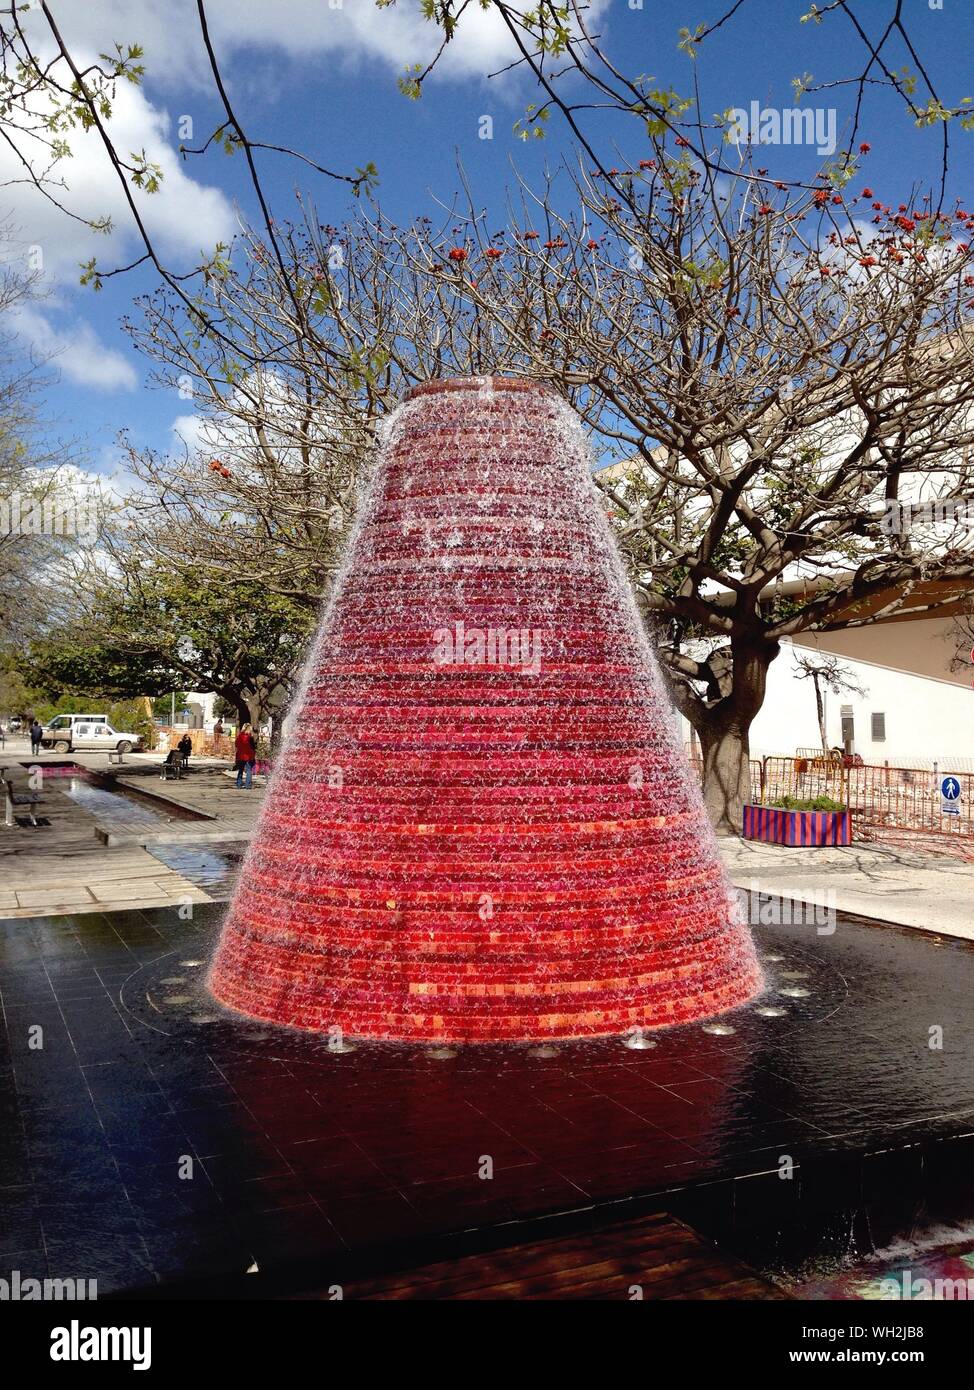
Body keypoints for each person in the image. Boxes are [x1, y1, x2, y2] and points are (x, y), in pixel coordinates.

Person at [234, 723, 256, 789]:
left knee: (240, 770)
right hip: (249, 756)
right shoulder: (250, 737)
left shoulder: (239, 736)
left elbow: (236, 744)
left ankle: (239, 783)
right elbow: (253, 747)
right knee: (249, 770)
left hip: (241, 755)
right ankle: (248, 785)